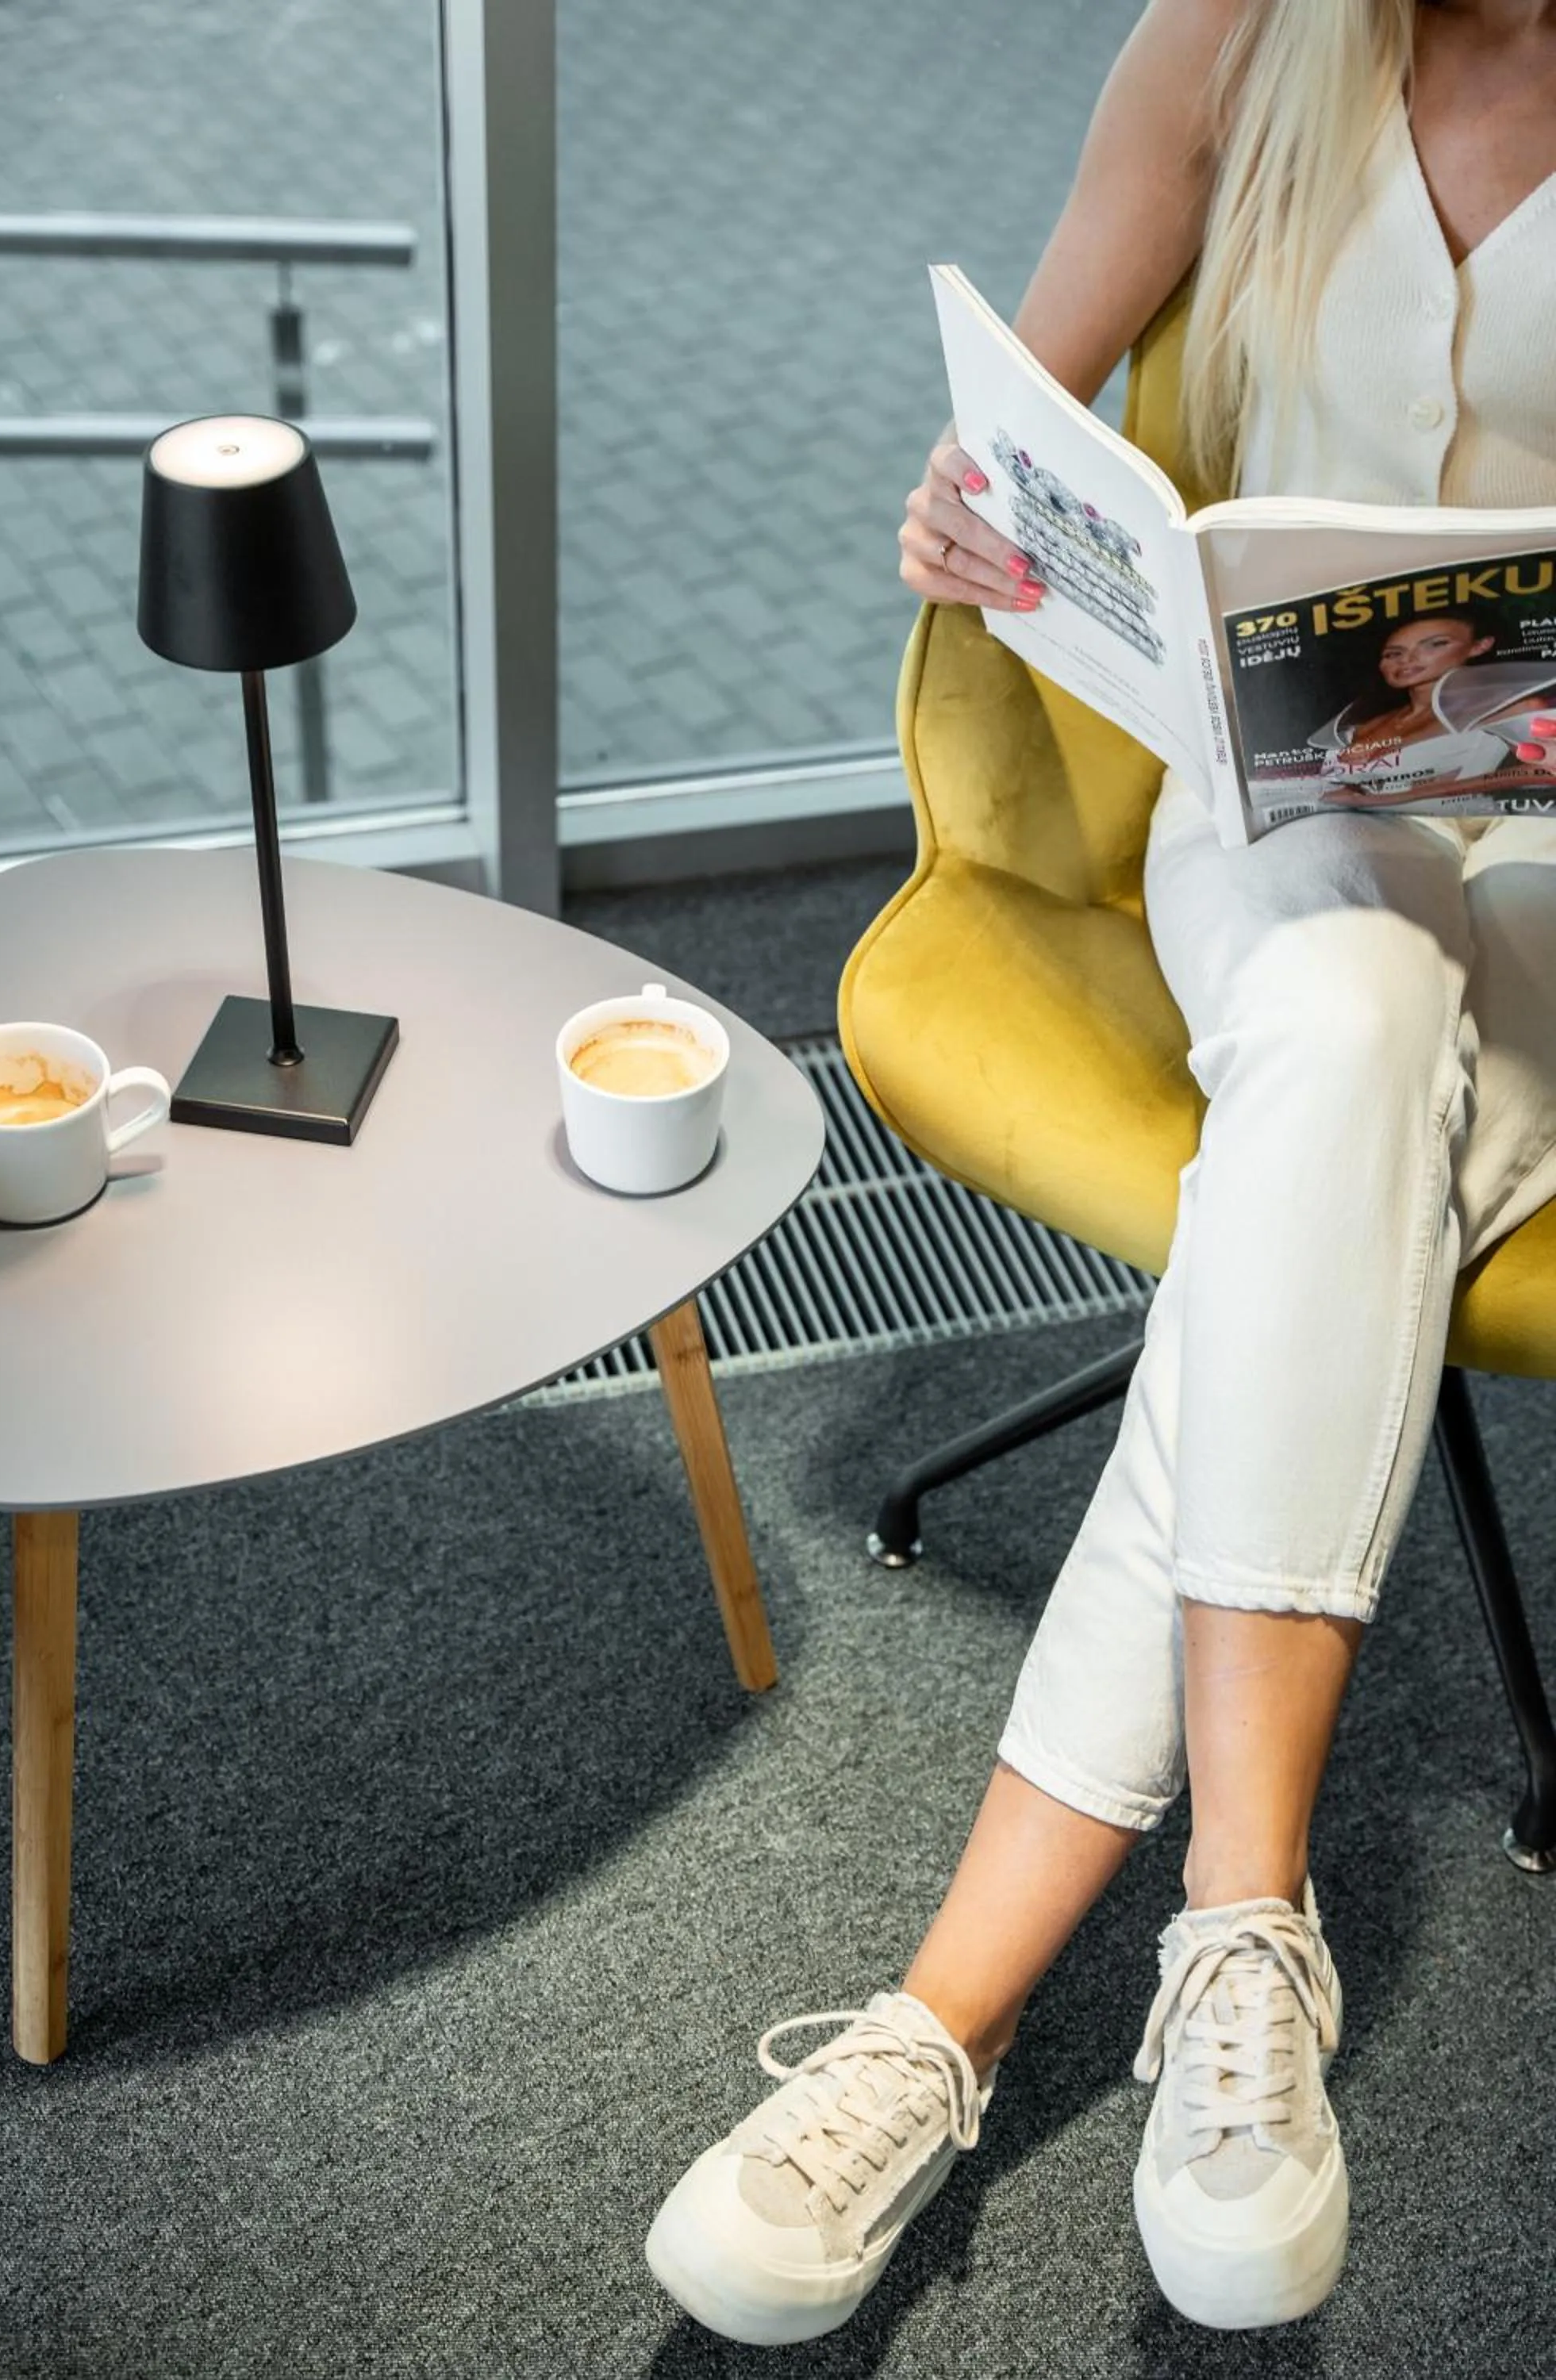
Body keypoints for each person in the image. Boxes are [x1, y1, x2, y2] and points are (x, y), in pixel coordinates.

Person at [644, 0, 1556, 2344]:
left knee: (1325, 1128)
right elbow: (1019, 436)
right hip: (1274, 821)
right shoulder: (1238, 41)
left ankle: (932, 2029)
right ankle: (1243, 1939)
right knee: (1348, 1012)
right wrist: (962, 510)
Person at [1307, 608, 1556, 804]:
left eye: (1435, 644)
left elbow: (1542, 774)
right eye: (1394, 654)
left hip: (1470, 828)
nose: (1408, 660)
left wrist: (1389, 799)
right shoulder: (1359, 724)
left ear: (1480, 645)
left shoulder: (1512, 708)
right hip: (1359, 829)